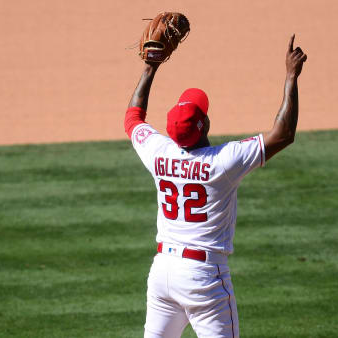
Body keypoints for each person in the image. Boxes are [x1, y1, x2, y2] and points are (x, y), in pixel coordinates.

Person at [125, 34, 307, 338]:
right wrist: (291, 76)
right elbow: (284, 134)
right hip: (203, 278)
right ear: (204, 124)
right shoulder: (222, 161)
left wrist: (149, 68)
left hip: (162, 271)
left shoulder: (159, 152)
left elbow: (133, 118)